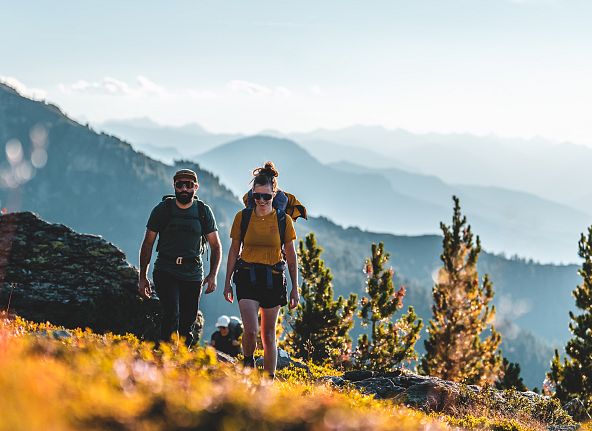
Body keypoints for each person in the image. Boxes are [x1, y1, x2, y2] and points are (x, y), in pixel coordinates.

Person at [223, 161, 300, 379]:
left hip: (273, 279)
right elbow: (233, 251)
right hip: (247, 276)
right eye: (257, 196)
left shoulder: (284, 221)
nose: (262, 201)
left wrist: (295, 288)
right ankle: (248, 363)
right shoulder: (243, 217)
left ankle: (269, 380)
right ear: (252, 195)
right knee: (251, 330)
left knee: (268, 335)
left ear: (274, 194)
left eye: (266, 196)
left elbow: (292, 256)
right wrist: (227, 281)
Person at [138, 168, 222, 347]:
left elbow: (215, 245)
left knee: (188, 318)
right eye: (180, 185)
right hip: (165, 269)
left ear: (196, 187)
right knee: (171, 312)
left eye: (189, 185)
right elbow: (147, 243)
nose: (184, 189)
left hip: (192, 272)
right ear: (174, 186)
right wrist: (142, 277)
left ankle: (183, 357)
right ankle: (165, 355)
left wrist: (213, 275)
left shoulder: (203, 212)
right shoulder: (162, 210)